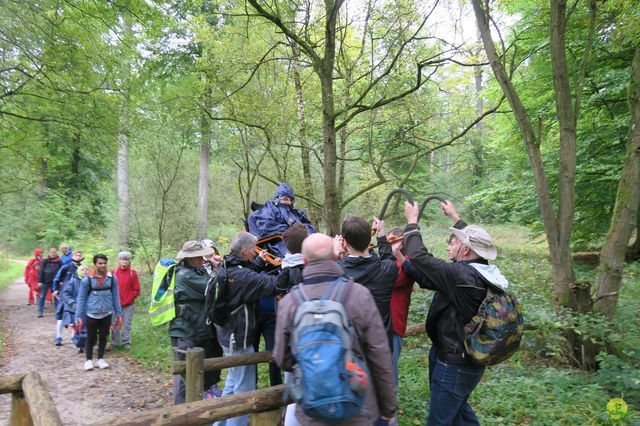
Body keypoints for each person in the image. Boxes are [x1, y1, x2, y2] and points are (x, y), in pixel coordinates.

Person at [273, 233, 397, 426]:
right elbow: (380, 357)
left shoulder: (290, 302)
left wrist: (314, 360)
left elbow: (282, 358)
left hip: (312, 411)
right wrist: (388, 410)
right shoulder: (359, 295)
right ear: (336, 256)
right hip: (359, 407)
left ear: (304, 261)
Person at [403, 200, 508, 425]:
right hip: (462, 357)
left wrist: (412, 222)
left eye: (453, 242)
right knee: (459, 413)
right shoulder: (483, 270)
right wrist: (454, 216)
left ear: (465, 249)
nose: (449, 245)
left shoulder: (461, 276)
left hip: (455, 363)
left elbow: (420, 258)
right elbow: (474, 242)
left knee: (440, 420)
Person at [214, 232, 278, 426]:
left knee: (232, 386)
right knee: (244, 392)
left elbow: (247, 274)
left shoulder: (227, 265)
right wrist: (291, 267)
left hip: (228, 336)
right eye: (253, 250)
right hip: (239, 339)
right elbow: (271, 284)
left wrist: (258, 262)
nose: (255, 252)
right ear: (244, 251)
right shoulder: (241, 275)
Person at [169, 241, 223, 404]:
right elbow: (214, 288)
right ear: (189, 258)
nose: (202, 259)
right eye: (198, 256)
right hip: (184, 331)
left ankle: (194, 412)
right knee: (185, 377)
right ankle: (180, 415)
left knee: (198, 373)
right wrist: (219, 270)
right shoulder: (185, 275)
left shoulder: (196, 271)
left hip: (197, 329)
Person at [336, 216, 398, 346]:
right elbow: (388, 257)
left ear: (345, 243)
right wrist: (381, 234)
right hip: (381, 345)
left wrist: (336, 254)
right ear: (370, 239)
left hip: (351, 346)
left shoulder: (337, 271)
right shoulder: (387, 269)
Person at [75, 254, 123, 371]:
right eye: (100, 263)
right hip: (91, 313)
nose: (102, 265)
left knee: (104, 336)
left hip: (107, 312)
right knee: (90, 337)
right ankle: (89, 360)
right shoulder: (87, 280)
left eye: (104, 263)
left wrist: (119, 313)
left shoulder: (112, 279)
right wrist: (78, 316)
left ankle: (100, 359)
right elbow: (81, 298)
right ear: (95, 264)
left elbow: (116, 297)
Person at [246, 183, 316, 258]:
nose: (289, 202)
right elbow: (266, 229)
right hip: (278, 244)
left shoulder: (297, 213)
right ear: (277, 199)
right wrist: (290, 229)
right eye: (285, 199)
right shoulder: (269, 210)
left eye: (291, 200)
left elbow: (310, 227)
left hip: (303, 242)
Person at [52, 250, 84, 345]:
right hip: (64, 295)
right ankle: (58, 337)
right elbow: (57, 278)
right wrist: (56, 289)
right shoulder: (66, 267)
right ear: (72, 256)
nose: (78, 257)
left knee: (75, 316)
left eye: (79, 255)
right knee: (61, 316)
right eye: (76, 255)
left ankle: (73, 337)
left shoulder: (82, 268)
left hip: (76, 296)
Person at [111, 251, 140, 349]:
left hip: (129, 304)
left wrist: (129, 298)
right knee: (114, 324)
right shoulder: (113, 272)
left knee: (127, 324)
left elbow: (136, 290)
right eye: (123, 259)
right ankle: (115, 343)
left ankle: (126, 342)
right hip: (115, 304)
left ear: (129, 261)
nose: (124, 261)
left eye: (127, 259)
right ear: (119, 260)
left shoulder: (133, 273)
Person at [62, 264, 89, 352]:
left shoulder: (91, 281)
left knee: (86, 329)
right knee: (78, 328)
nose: (84, 271)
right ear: (78, 271)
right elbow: (66, 294)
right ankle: (78, 343)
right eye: (82, 269)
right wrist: (72, 303)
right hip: (75, 309)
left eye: (86, 269)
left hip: (88, 309)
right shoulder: (73, 282)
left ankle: (83, 344)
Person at [37, 247, 63, 317]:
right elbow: (40, 271)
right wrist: (39, 281)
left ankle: (58, 312)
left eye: (54, 252)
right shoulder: (45, 261)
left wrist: (61, 280)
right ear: (49, 253)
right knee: (42, 297)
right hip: (45, 282)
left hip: (55, 283)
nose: (53, 253)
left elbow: (62, 271)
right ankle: (40, 312)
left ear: (56, 253)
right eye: (52, 252)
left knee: (56, 297)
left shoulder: (59, 262)